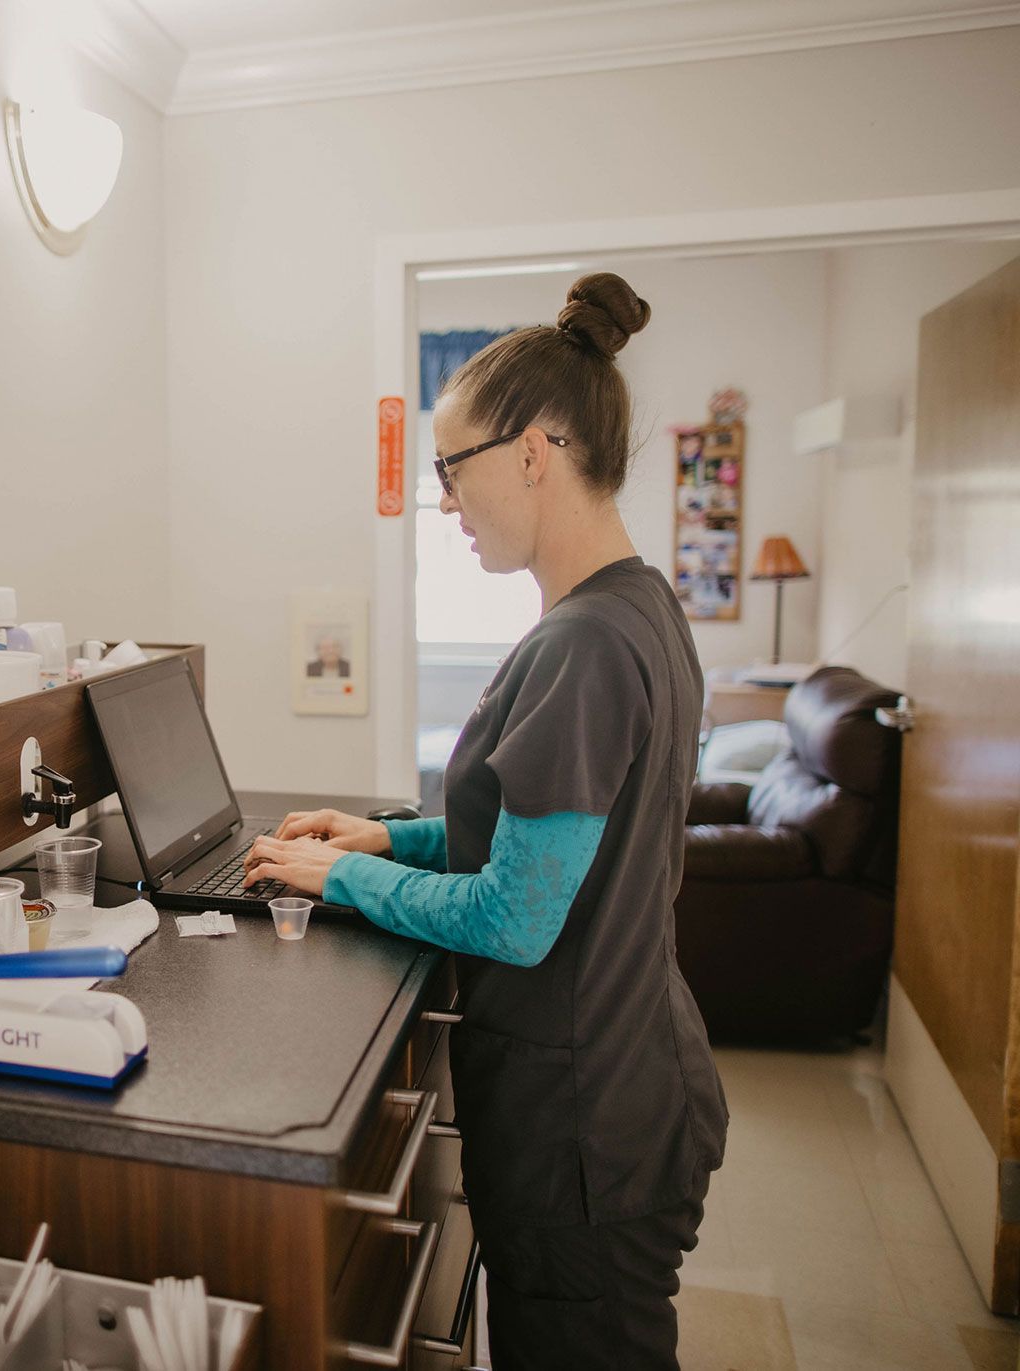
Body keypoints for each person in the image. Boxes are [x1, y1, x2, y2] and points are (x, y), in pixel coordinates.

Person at [245, 273, 727, 1371]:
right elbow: (548, 836)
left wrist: (338, 883)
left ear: (533, 451)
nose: (446, 507)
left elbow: (517, 916)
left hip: (586, 1128)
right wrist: (383, 839)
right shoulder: (635, 606)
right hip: (633, 1077)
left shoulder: (583, 647)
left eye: (452, 476)